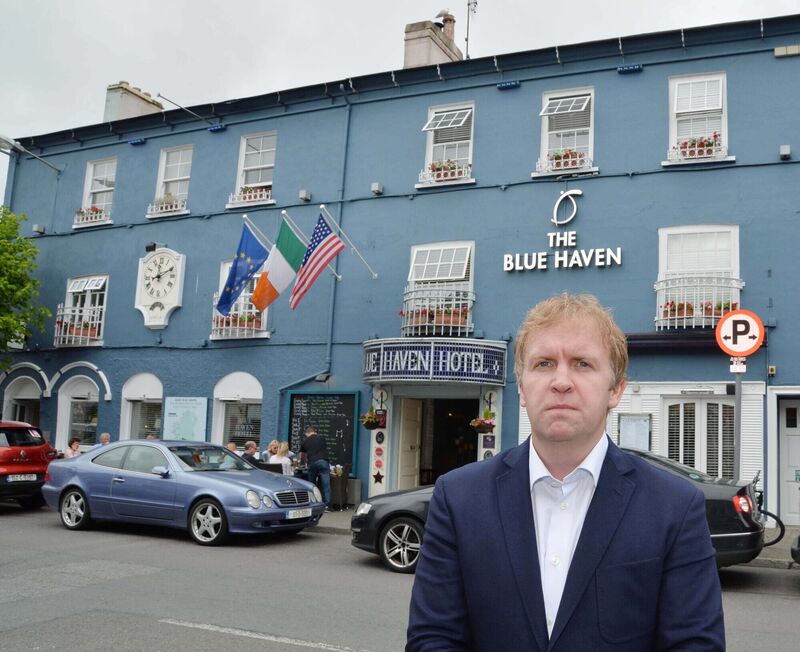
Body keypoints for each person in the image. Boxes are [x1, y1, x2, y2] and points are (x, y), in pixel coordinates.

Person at [407, 293, 725, 651]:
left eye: (582, 364)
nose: (561, 381)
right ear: (522, 387)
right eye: (544, 363)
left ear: (616, 390)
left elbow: (695, 645)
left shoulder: (675, 507)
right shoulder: (458, 498)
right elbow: (432, 638)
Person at [300, 426, 331, 510]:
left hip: (312, 462)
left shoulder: (305, 441)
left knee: (311, 484)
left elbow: (302, 455)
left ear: (307, 433)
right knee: (326, 484)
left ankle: (313, 504)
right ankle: (327, 505)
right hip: (323, 461)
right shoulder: (322, 438)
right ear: (315, 432)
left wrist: (305, 462)